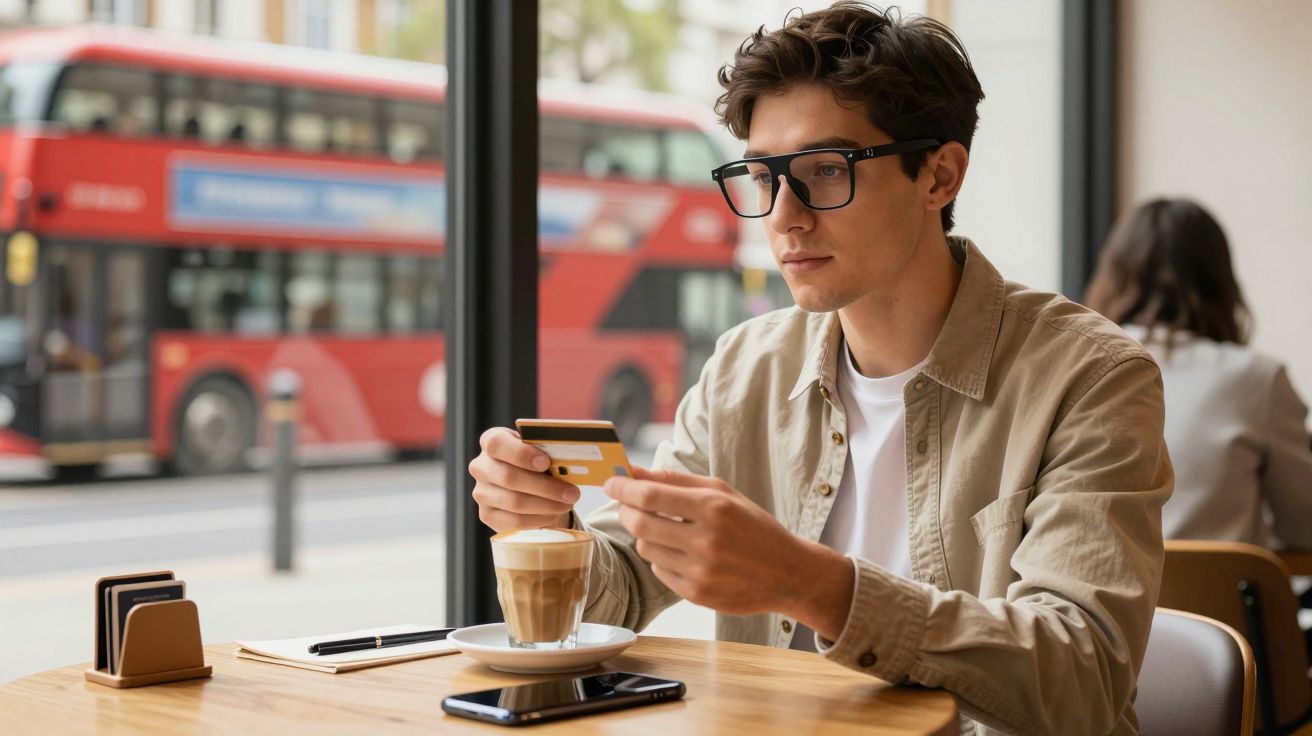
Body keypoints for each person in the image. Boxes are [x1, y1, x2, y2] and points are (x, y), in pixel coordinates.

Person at [469, 4, 1172, 734]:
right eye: (763, 176)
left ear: (939, 175)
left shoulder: (1091, 377)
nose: (783, 216)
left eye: (825, 171)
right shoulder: (746, 369)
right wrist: (550, 526)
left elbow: (1082, 678)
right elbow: (618, 592)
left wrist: (813, 586)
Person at [1086, 198, 1312, 549]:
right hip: (1220, 603)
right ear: (1220, 281)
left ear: (1113, 275)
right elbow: (1305, 528)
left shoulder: (1083, 364)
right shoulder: (1258, 380)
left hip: (1094, 601)